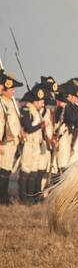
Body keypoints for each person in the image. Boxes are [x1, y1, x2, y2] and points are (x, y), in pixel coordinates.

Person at [19, 84, 48, 204]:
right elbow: (29, 128)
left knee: (34, 172)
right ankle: (24, 198)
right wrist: (40, 126)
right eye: (40, 101)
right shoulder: (26, 110)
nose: (42, 104)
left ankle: (30, 197)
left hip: (36, 145)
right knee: (26, 171)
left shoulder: (36, 112)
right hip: (28, 144)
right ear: (34, 101)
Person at [0, 73, 23, 205]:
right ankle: (2, 198)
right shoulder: (2, 103)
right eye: (12, 89)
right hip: (5, 141)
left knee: (7, 170)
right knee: (3, 170)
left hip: (12, 141)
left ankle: (5, 196)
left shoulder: (11, 103)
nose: (13, 91)